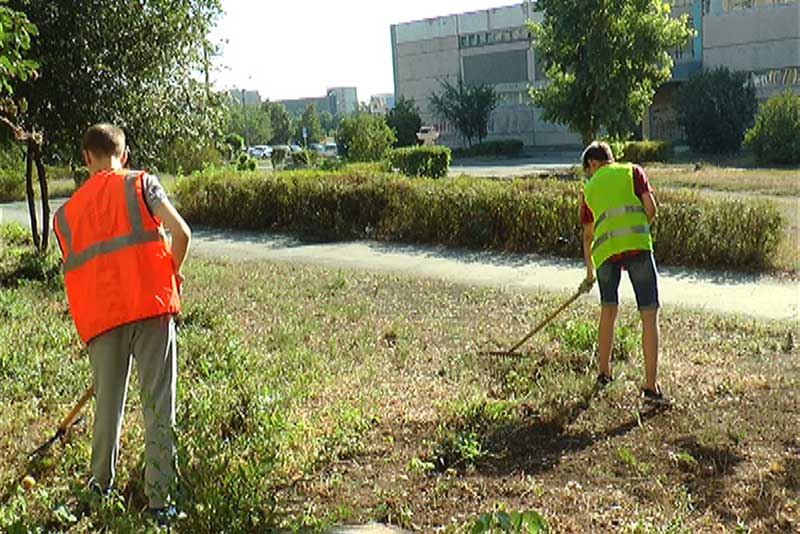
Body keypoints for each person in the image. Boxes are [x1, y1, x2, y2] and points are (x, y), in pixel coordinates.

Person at [53, 123, 191, 525]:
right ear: (124, 155)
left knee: (107, 409)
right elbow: (181, 233)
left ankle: (98, 490)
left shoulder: (66, 215)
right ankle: (160, 503)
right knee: (158, 406)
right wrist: (171, 274)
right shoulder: (142, 184)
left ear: (86, 158)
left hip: (102, 322)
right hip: (151, 310)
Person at [578, 141, 669, 405]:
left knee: (608, 310)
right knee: (649, 314)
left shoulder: (589, 188)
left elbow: (588, 234)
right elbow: (651, 208)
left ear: (592, 164)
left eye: (588, 170)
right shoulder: (633, 171)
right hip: (639, 247)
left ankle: (604, 373)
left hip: (606, 253)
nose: (589, 174)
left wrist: (589, 272)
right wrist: (638, 230)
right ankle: (650, 387)